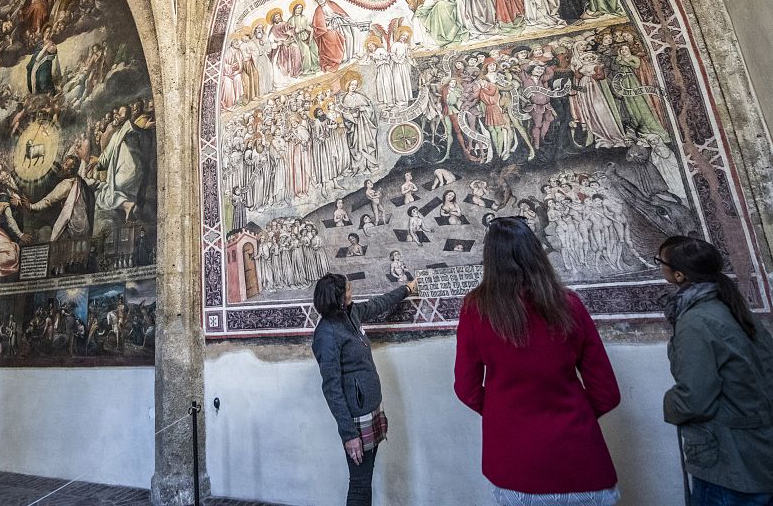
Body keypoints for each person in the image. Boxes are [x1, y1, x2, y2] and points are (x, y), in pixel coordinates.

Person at [454, 217, 621, 506]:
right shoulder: (568, 304)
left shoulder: (476, 310)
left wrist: (503, 414)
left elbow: (466, 388)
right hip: (580, 456)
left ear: (490, 258)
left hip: (515, 462)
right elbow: (606, 392)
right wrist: (570, 419)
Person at [658, 236, 773, 506]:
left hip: (729, 461)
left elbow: (694, 398)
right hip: (757, 450)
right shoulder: (733, 309)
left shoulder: (696, 320)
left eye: (661, 263)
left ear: (678, 275)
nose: (659, 268)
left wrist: (669, 403)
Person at [312, 273, 417, 506]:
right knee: (359, 484)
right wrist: (349, 435)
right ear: (338, 298)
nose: (352, 292)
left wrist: (406, 290)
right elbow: (332, 388)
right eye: (348, 290)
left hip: (370, 409)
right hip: (356, 420)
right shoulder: (326, 334)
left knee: (365, 479)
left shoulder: (351, 313)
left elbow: (379, 304)